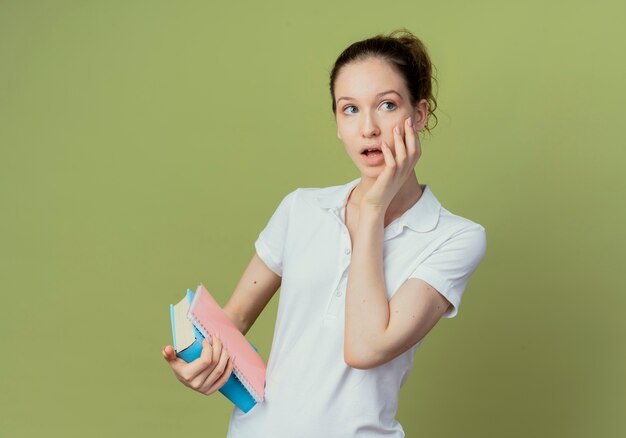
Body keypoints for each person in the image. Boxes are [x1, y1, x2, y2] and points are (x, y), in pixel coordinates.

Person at [162, 28, 487, 437]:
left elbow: (365, 347)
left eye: (386, 105)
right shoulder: (302, 208)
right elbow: (234, 319)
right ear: (337, 122)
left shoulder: (454, 237)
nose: (367, 127)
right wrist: (201, 364)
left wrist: (372, 210)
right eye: (349, 109)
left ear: (418, 115)